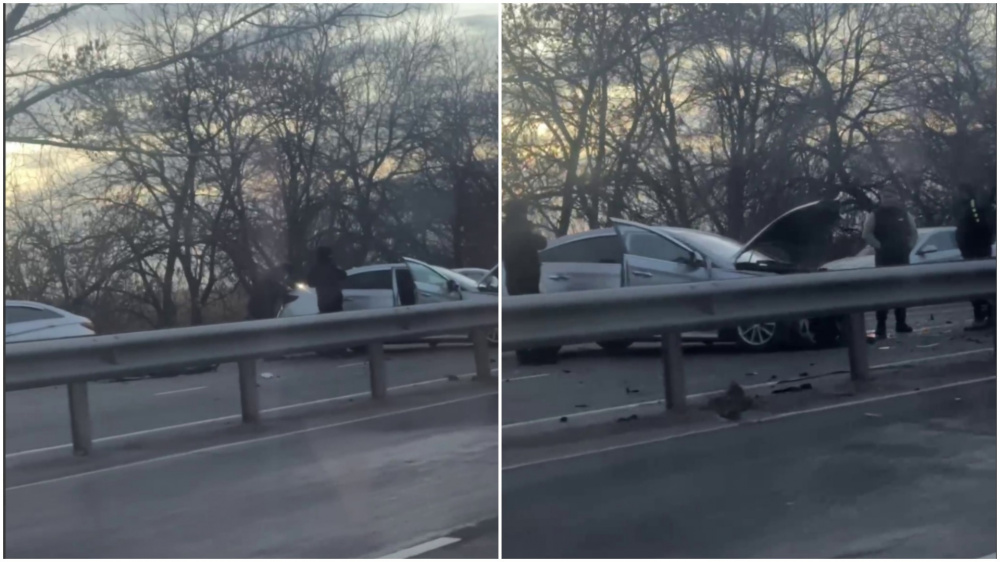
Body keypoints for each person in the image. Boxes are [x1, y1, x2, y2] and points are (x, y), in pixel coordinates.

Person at [502, 199, 555, 365]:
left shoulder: (505, 230)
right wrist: (531, 233)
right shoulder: (520, 231)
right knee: (531, 317)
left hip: (515, 279)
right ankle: (531, 353)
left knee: (521, 318)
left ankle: (524, 352)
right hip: (526, 279)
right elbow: (541, 243)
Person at [862, 192, 917, 339]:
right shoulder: (875, 215)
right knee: (883, 291)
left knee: (901, 290)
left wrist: (909, 247)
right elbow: (866, 234)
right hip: (884, 258)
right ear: (881, 199)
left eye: (891, 196)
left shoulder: (904, 214)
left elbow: (913, 233)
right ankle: (881, 326)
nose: (889, 199)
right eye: (885, 196)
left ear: (897, 198)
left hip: (902, 256)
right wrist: (879, 246)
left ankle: (901, 323)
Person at [954, 183, 996, 331]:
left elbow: (973, 228)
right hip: (979, 250)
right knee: (983, 285)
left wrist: (966, 244)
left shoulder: (971, 207)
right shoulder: (976, 206)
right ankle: (989, 315)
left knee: (977, 285)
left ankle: (981, 317)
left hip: (975, 251)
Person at [306, 246, 347, 314]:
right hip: (336, 299)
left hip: (323, 300)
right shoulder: (333, 267)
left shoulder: (315, 269)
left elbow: (310, 283)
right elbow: (343, 275)